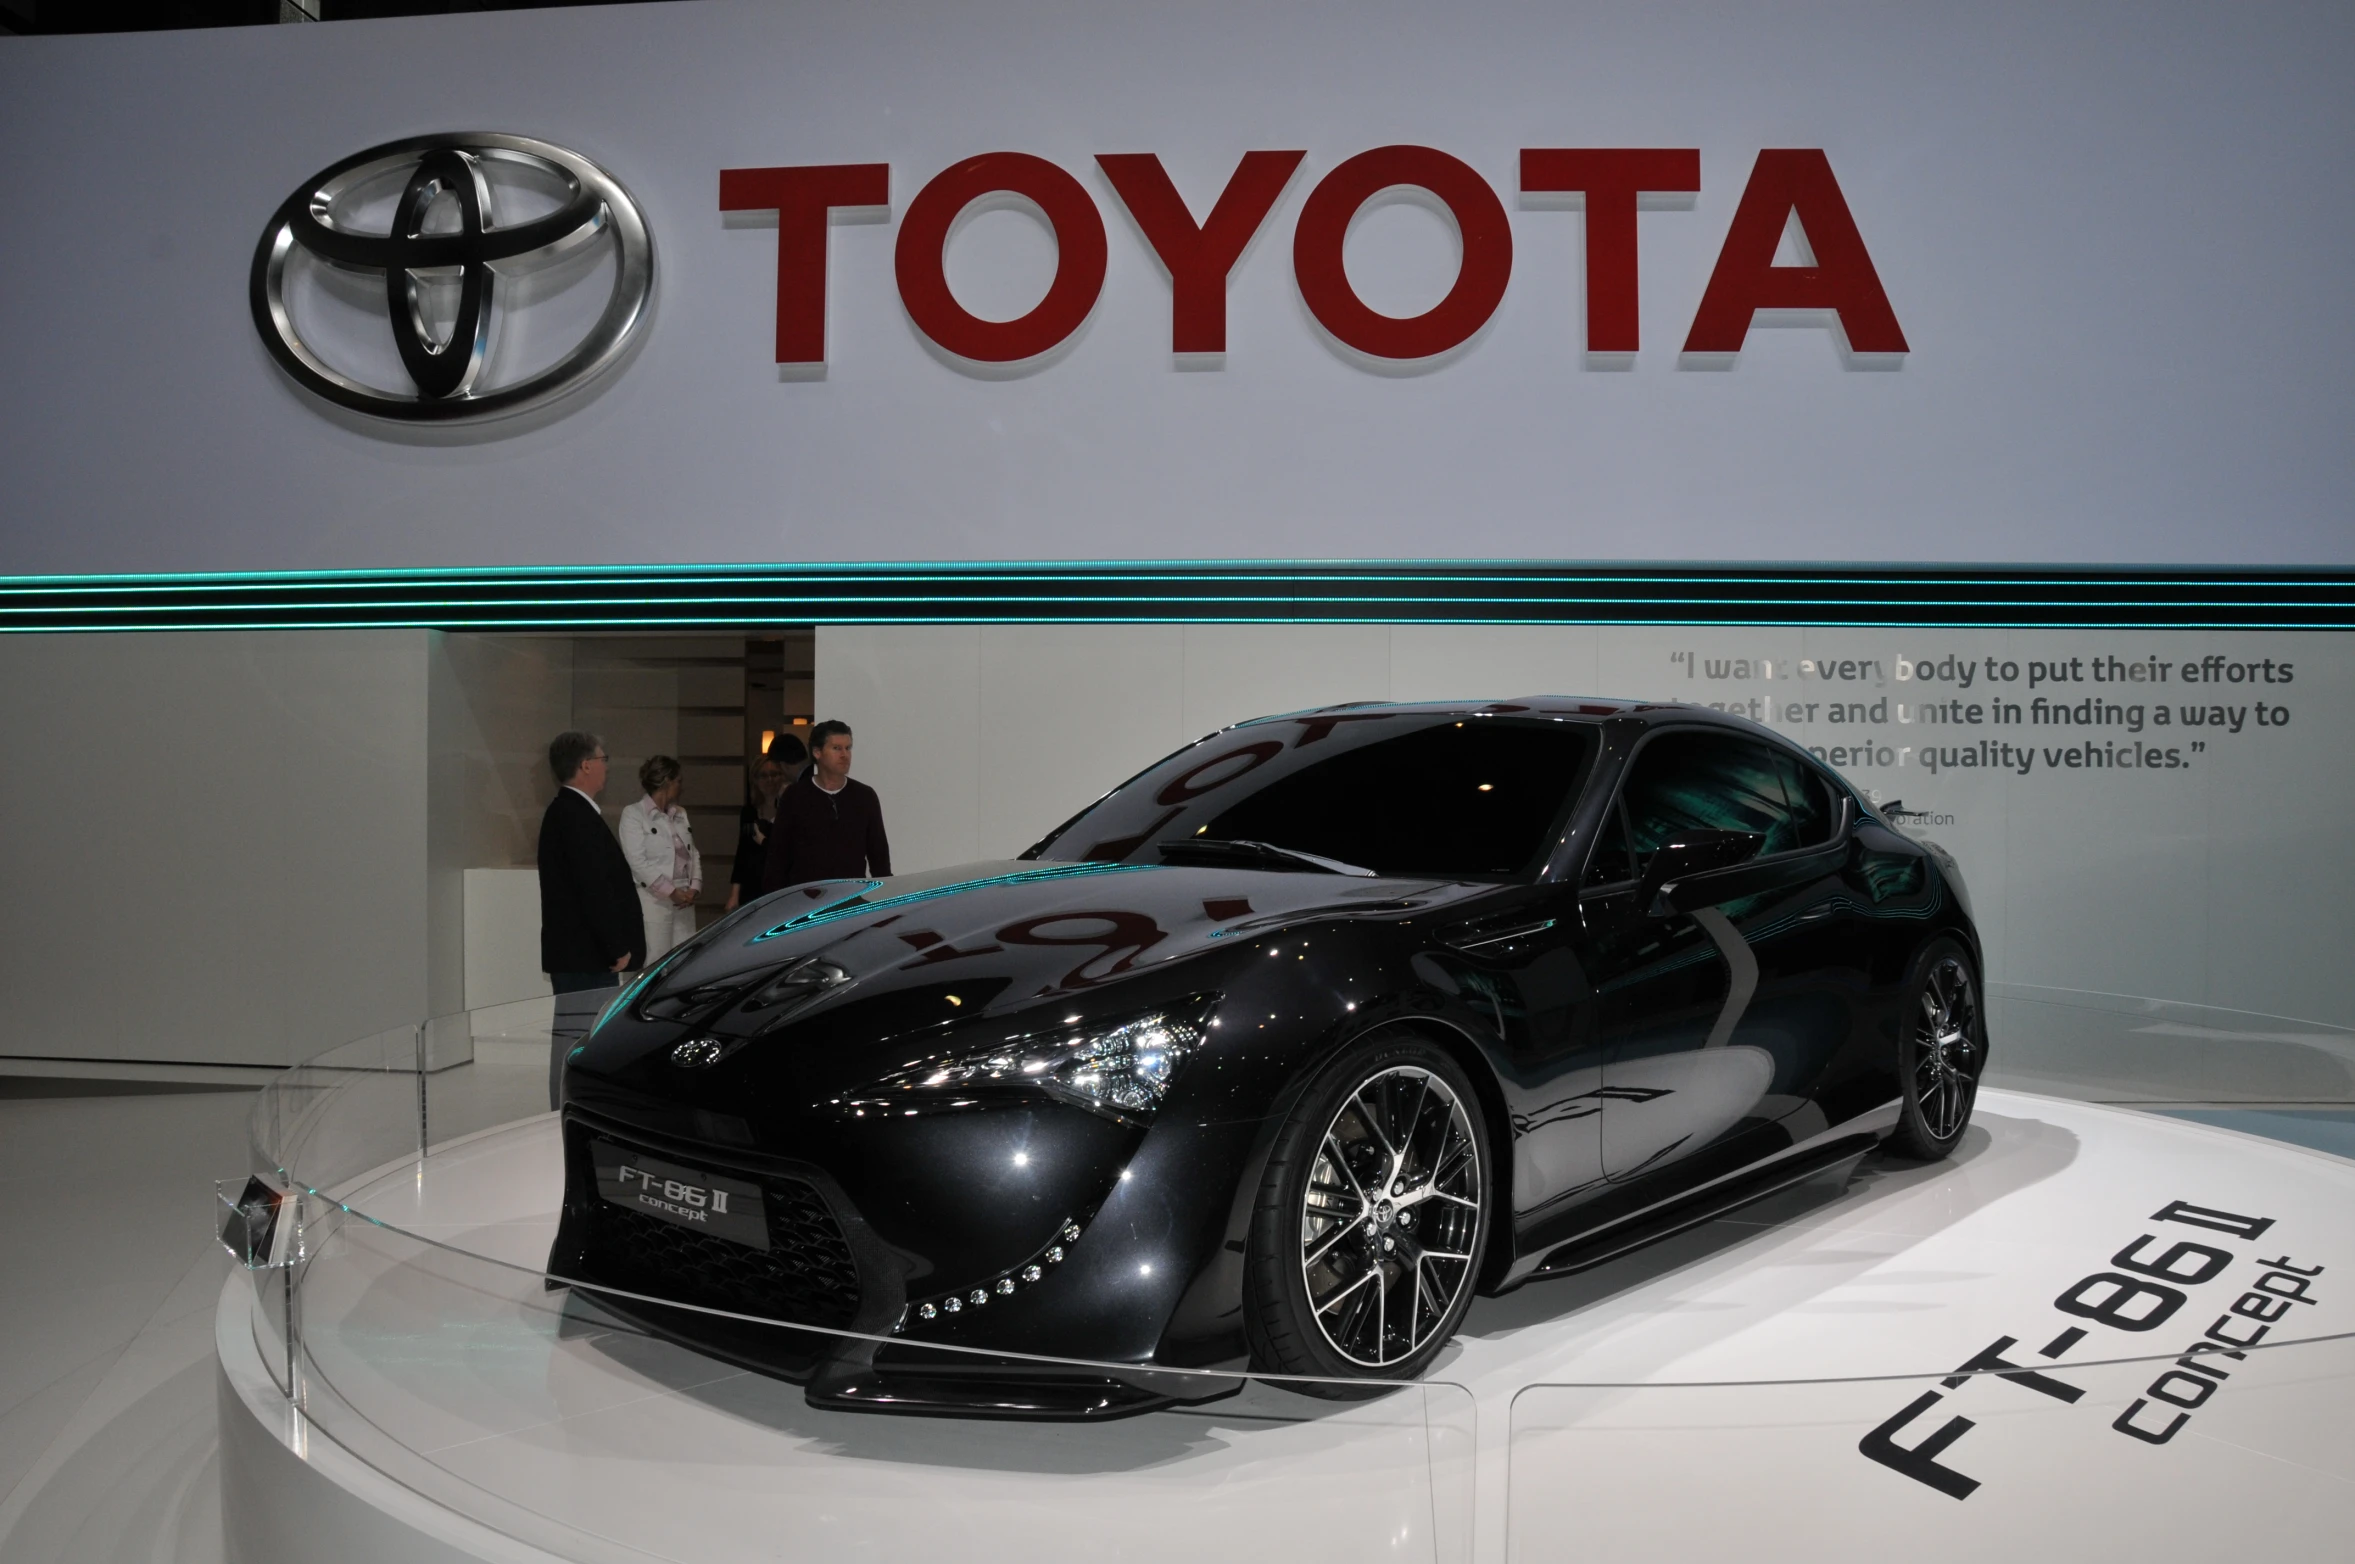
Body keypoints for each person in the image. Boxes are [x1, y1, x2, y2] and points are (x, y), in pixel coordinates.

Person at [538, 731, 645, 1107]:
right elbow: (593, 890)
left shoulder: (570, 813)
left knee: (579, 1033)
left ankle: (571, 1104)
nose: (606, 767)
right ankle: (569, 1107)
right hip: (585, 954)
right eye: (603, 760)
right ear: (585, 765)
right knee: (576, 1036)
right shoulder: (574, 815)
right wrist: (615, 946)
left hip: (580, 952)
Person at [764, 719, 891, 891]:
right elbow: (778, 857)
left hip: (850, 899)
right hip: (804, 900)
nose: (844, 755)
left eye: (848, 748)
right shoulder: (796, 796)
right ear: (817, 752)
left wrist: (885, 900)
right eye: (836, 748)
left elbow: (879, 856)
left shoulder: (864, 796)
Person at [620, 754, 703, 961]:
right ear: (667, 781)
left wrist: (695, 886)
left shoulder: (680, 813)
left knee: (683, 962)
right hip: (654, 901)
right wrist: (670, 891)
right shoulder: (633, 814)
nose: (681, 786)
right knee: (655, 961)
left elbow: (692, 852)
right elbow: (637, 862)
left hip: (684, 899)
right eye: (678, 781)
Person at [725, 735, 803, 911]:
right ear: (755, 779)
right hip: (752, 883)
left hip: (780, 884)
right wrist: (734, 894)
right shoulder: (749, 812)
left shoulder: (788, 808)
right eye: (763, 776)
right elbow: (742, 854)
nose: (770, 780)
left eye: (774, 774)